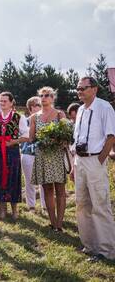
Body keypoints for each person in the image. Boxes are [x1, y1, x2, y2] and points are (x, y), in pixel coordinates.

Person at [71, 77, 115, 261]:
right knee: (82, 204)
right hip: (79, 160)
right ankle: (89, 245)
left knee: (100, 205)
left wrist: (100, 160)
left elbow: (111, 136)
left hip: (94, 160)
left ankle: (106, 250)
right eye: (78, 89)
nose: (80, 91)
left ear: (94, 89)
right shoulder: (80, 109)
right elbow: (77, 138)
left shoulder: (105, 107)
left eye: (83, 88)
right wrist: (74, 164)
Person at [0, 92, 29, 220]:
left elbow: (26, 136)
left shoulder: (18, 117)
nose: (2, 103)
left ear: (11, 102)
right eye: (1, 101)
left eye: (4, 101)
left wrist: (14, 141)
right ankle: (2, 209)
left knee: (12, 179)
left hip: (12, 152)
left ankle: (14, 209)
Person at [30, 87, 67, 231]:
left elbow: (67, 136)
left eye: (47, 95)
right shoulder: (35, 117)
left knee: (60, 190)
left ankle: (60, 223)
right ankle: (53, 222)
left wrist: (57, 139)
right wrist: (42, 138)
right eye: (41, 96)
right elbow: (32, 138)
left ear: (53, 98)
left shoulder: (59, 114)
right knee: (47, 190)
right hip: (42, 155)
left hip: (57, 155)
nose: (44, 98)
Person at [21, 96, 45, 212]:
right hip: (28, 153)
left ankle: (45, 206)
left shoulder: (46, 121)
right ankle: (31, 206)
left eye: (40, 105)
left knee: (44, 181)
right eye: (36, 105)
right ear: (30, 108)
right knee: (29, 181)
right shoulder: (25, 121)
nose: (38, 107)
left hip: (43, 154)